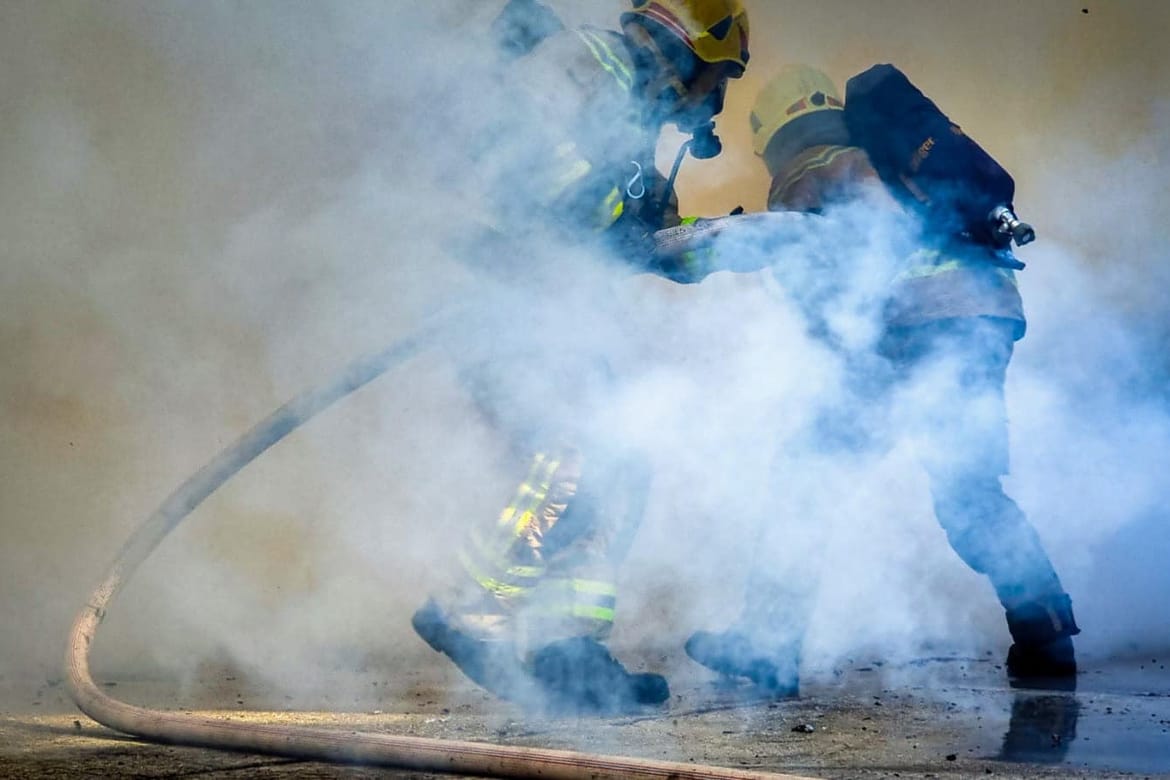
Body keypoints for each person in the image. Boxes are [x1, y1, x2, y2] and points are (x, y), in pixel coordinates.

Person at [683, 64, 1080, 697]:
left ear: (772, 133)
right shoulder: (887, 159)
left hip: (908, 333)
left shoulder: (806, 173)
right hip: (985, 316)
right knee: (969, 489)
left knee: (806, 477)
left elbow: (824, 292)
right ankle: (1047, 636)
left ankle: (770, 645)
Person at [411, 0, 752, 715]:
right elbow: (521, 174)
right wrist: (611, 221)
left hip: (557, 310)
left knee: (617, 465)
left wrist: (719, 243)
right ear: (691, 49)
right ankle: (467, 608)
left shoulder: (635, 121)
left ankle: (569, 653)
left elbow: (647, 238)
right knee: (569, 457)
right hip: (509, 299)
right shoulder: (590, 65)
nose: (714, 100)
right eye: (718, 78)